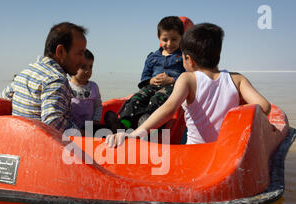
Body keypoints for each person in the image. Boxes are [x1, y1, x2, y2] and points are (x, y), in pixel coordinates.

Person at [106, 23, 271, 147]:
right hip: (223, 150)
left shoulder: (187, 79)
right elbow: (264, 106)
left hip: (195, 151)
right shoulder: (237, 79)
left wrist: (136, 134)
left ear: (188, 59)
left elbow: (169, 109)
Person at [0, 22, 87, 133]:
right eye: (80, 53)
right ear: (60, 51)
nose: (83, 60)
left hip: (18, 139)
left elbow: (3, 99)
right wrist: (81, 133)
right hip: (41, 145)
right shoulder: (56, 80)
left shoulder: (24, 73)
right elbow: (53, 123)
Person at [117, 16, 187, 129]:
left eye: (174, 39)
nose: (169, 44)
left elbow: (189, 76)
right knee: (136, 98)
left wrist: (173, 80)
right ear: (159, 37)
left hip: (172, 88)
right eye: (165, 40)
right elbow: (145, 77)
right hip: (152, 86)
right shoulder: (152, 57)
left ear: (181, 38)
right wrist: (151, 80)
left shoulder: (184, 57)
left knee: (157, 99)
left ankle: (150, 123)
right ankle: (124, 123)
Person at [69, 49, 123, 133]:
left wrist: (96, 120)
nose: (87, 71)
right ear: (72, 66)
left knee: (110, 115)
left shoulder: (93, 86)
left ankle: (120, 132)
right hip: (74, 129)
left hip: (91, 127)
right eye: (83, 67)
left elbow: (98, 106)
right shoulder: (67, 87)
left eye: (90, 67)